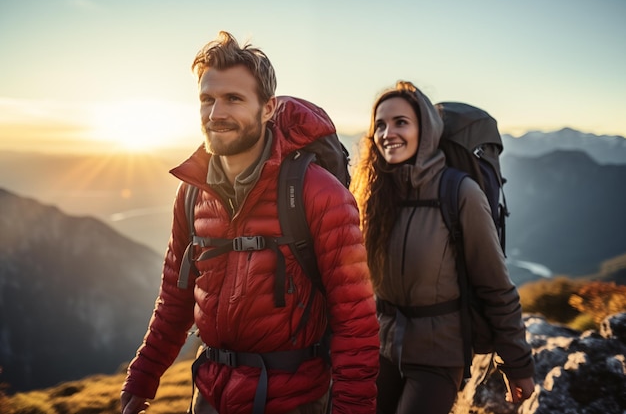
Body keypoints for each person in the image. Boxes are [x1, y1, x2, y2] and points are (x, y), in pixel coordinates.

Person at [120, 31, 379, 414]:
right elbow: (175, 298)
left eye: (233, 99)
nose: (215, 113)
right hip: (208, 396)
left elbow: (355, 319)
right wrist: (143, 377)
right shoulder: (192, 193)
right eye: (207, 99)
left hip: (295, 400)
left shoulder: (316, 192)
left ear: (268, 108)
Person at [350, 81, 535, 414]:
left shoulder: (459, 192)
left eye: (401, 122)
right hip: (381, 348)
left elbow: (495, 285)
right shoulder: (374, 194)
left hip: (439, 354)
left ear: (426, 131)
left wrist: (518, 364)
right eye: (380, 124)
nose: (387, 133)